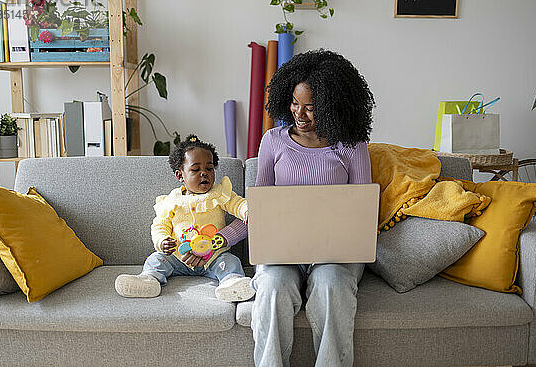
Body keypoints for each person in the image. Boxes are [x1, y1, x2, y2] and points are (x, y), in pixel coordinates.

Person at [220, 49, 375, 366]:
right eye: (294, 103)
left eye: (311, 107)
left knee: (331, 284)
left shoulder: (352, 145)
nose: (299, 114)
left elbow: (363, 209)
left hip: (337, 254)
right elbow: (259, 209)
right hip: (282, 253)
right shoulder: (273, 141)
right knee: (274, 286)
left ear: (334, 106)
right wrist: (223, 238)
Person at [114, 134, 255, 302]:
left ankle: (232, 283)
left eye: (209, 169)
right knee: (156, 259)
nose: (204, 173)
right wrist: (162, 241)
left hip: (214, 256)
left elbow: (238, 203)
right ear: (180, 175)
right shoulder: (171, 201)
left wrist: (246, 211)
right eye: (195, 170)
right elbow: (159, 225)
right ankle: (149, 280)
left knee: (231, 261)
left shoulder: (219, 193)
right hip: (178, 258)